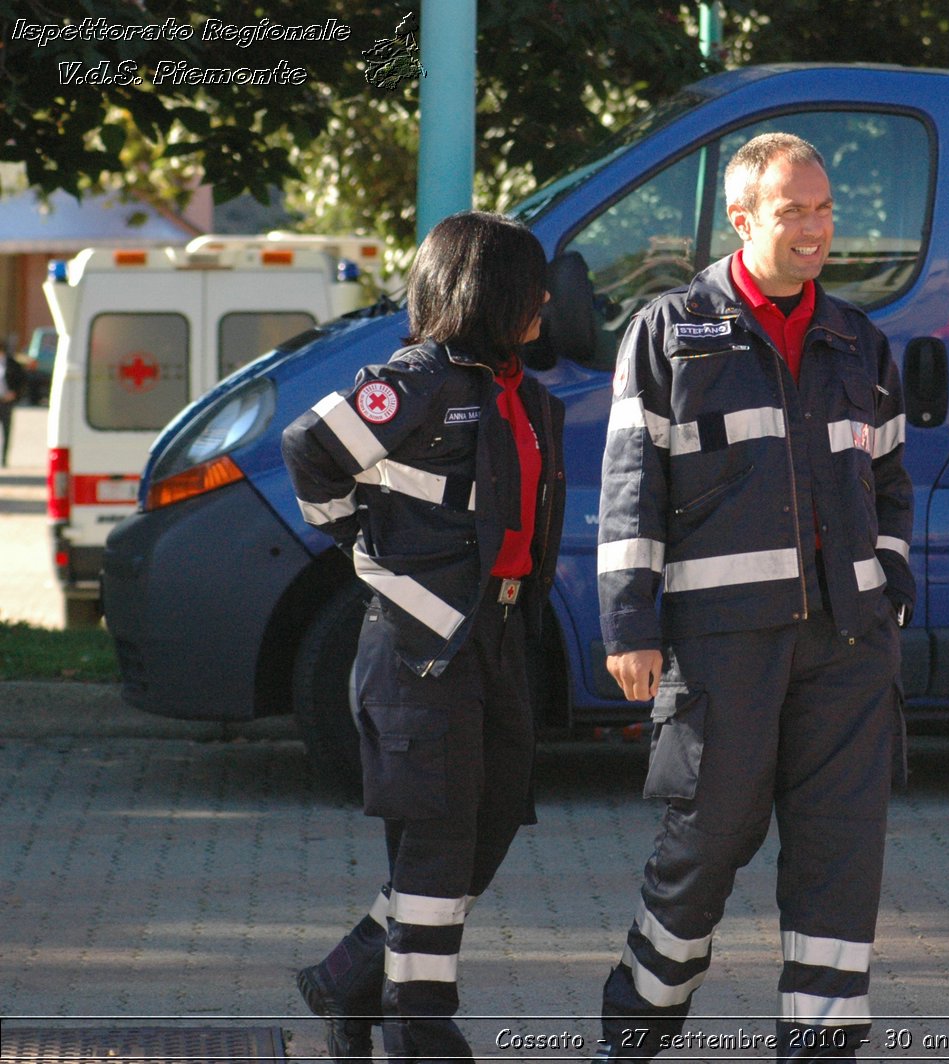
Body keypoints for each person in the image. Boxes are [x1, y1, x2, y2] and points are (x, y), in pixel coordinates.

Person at [589, 132, 914, 1061]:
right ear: (742, 219)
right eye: (792, 213)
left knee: (840, 862)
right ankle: (637, 1031)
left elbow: (890, 481)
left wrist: (890, 585)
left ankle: (819, 1048)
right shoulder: (669, 332)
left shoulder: (860, 338)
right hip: (724, 644)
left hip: (848, 648)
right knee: (706, 848)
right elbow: (629, 489)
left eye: (824, 211)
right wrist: (630, 625)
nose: (815, 230)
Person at [281, 211, 566, 1064]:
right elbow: (309, 447)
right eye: (531, 285)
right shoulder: (417, 381)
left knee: (491, 822)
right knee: (438, 836)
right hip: (421, 648)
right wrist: (365, 547)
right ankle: (421, 1026)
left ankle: (348, 973)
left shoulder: (522, 390)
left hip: (500, 639)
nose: (548, 299)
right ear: (490, 293)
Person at [0, 341, 23, 466]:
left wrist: (14, 394)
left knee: (6, 430)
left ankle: (4, 459)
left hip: (6, 402)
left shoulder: (12, 364)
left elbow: (21, 381)